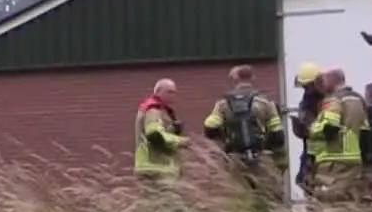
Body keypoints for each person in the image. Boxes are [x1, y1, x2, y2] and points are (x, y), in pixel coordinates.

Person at [203, 65, 288, 204]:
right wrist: (280, 165)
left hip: (235, 160)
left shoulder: (223, 103)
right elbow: (277, 135)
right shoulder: (266, 102)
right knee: (269, 201)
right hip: (262, 158)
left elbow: (210, 127)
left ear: (235, 79)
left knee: (239, 201)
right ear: (253, 78)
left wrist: (223, 145)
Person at [308, 68, 372, 205]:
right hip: (354, 158)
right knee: (350, 199)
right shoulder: (358, 99)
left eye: (325, 81)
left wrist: (313, 129)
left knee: (330, 200)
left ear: (332, 81)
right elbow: (365, 131)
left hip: (333, 159)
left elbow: (330, 127)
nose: (323, 85)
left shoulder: (333, 100)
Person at [133, 78, 189, 183]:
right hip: (155, 167)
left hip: (152, 166)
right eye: (169, 92)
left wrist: (172, 129)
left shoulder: (160, 110)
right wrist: (181, 141)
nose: (172, 96)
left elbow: (157, 131)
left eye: (174, 93)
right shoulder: (153, 109)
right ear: (158, 92)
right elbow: (154, 135)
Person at [290, 63, 326, 199]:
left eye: (307, 86)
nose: (306, 90)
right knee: (305, 182)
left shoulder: (327, 102)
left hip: (323, 154)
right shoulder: (308, 102)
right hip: (311, 151)